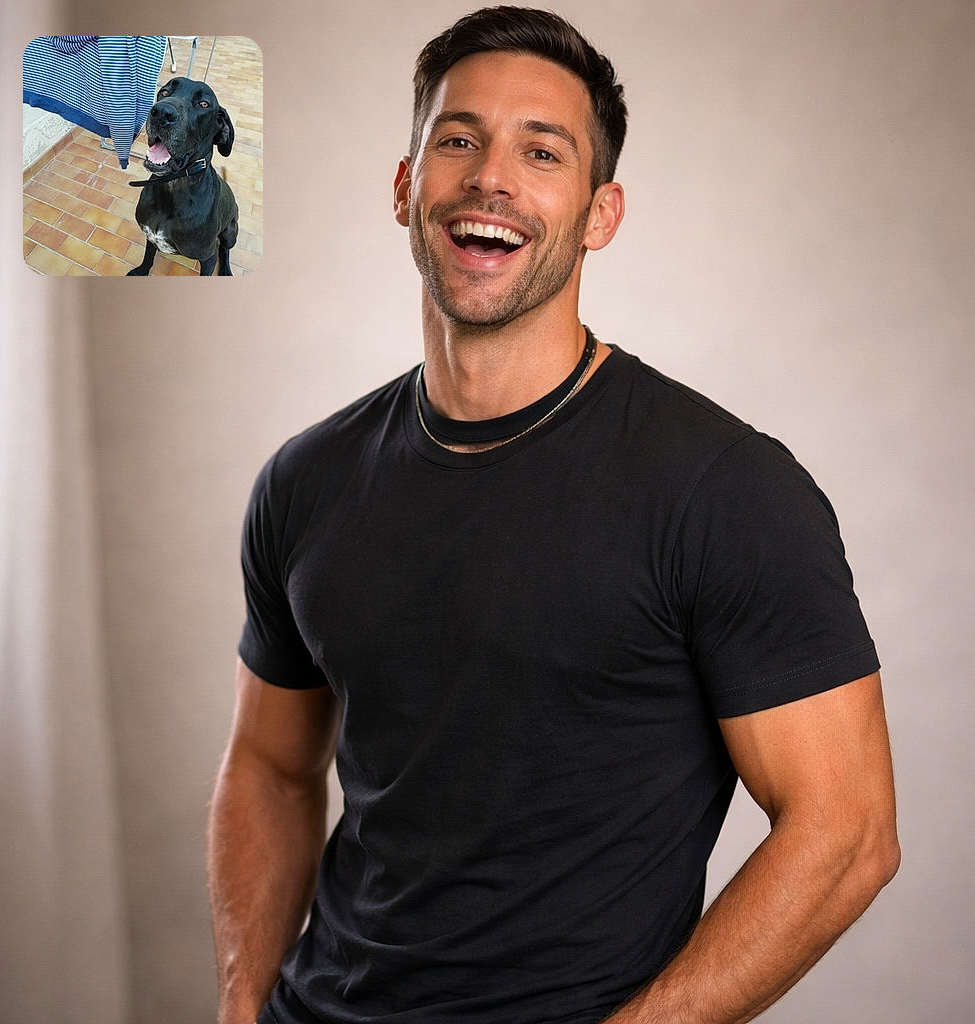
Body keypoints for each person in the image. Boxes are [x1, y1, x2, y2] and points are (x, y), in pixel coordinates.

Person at [208, 8, 900, 1024]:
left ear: (599, 213)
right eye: (457, 140)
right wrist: (240, 1006)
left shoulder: (722, 488)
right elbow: (269, 763)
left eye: (542, 151)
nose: (491, 177)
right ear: (406, 188)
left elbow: (847, 832)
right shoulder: (305, 481)